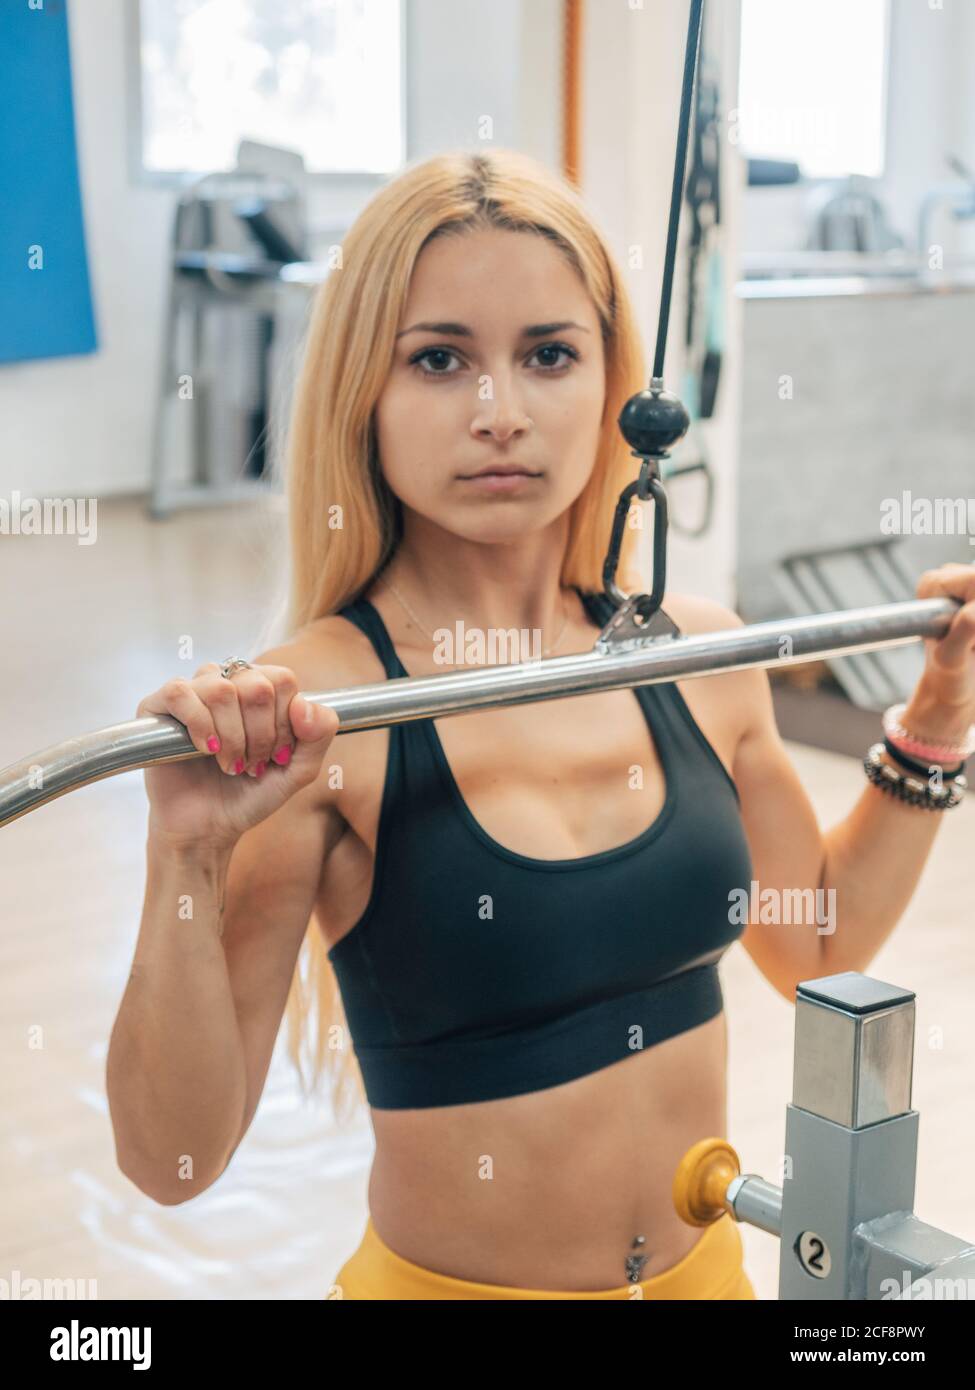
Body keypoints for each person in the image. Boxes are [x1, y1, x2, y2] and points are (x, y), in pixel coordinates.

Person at [106, 149, 975, 1301]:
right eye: (439, 358)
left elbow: (817, 941)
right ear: (363, 388)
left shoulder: (698, 653)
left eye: (549, 355)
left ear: (613, 382)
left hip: (707, 1279)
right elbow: (173, 1159)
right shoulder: (320, 712)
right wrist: (187, 855)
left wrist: (937, 718)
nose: (500, 413)